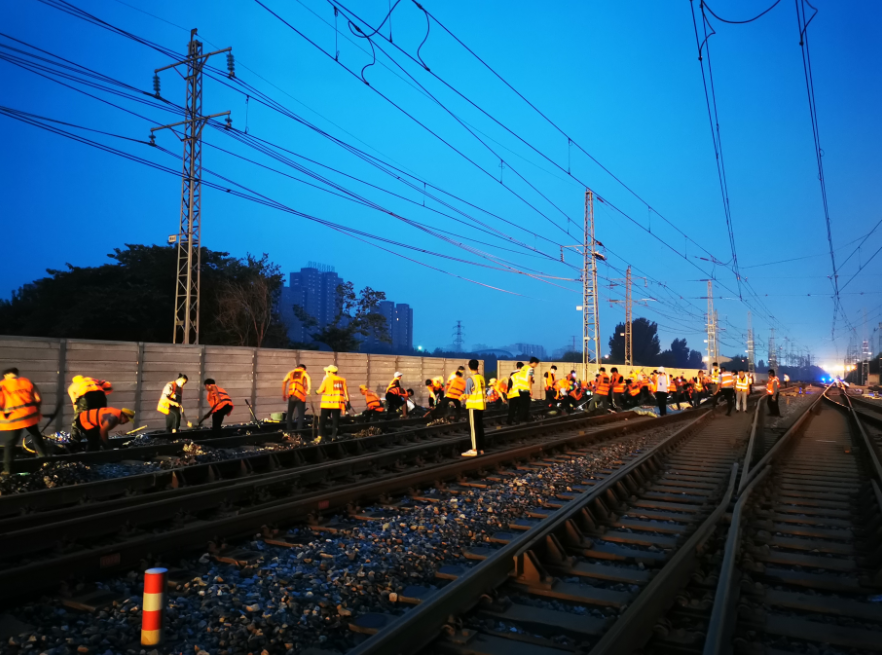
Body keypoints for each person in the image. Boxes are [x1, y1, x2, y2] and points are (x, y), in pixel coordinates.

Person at [0, 368, 48, 475]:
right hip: (30, 415)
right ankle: (44, 460)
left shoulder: (2, 385)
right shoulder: (27, 381)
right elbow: (38, 398)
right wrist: (36, 410)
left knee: (9, 444)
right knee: (35, 435)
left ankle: (7, 470)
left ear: (6, 375)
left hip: (13, 419)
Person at [68, 375, 113, 442]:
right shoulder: (92, 379)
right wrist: (103, 393)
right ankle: (103, 440)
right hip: (101, 396)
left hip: (86, 397)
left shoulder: (72, 387)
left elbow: (74, 402)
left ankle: (75, 439)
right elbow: (108, 385)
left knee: (78, 419)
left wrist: (77, 413)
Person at [317, 365, 349, 441]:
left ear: (330, 372)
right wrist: (347, 401)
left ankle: (320, 436)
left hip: (326, 404)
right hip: (337, 404)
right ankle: (334, 437)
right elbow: (346, 392)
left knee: (323, 421)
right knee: (335, 421)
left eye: (328, 371)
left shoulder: (327, 380)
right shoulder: (342, 380)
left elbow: (320, 390)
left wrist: (315, 391)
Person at [461, 360, 486, 457]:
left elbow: (467, 395)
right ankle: (481, 449)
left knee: (473, 428)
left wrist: (461, 396)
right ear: (478, 367)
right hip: (481, 405)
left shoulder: (470, 379)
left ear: (469, 367)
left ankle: (474, 449)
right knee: (479, 427)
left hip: (473, 406)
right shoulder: (481, 378)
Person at [282, 365, 311, 432]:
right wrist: (309, 390)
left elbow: (284, 381)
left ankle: (289, 429)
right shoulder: (304, 373)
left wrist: (284, 394)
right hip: (300, 396)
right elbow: (308, 379)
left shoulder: (290, 373)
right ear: (303, 369)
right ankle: (299, 430)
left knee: (290, 413)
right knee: (301, 414)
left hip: (291, 395)